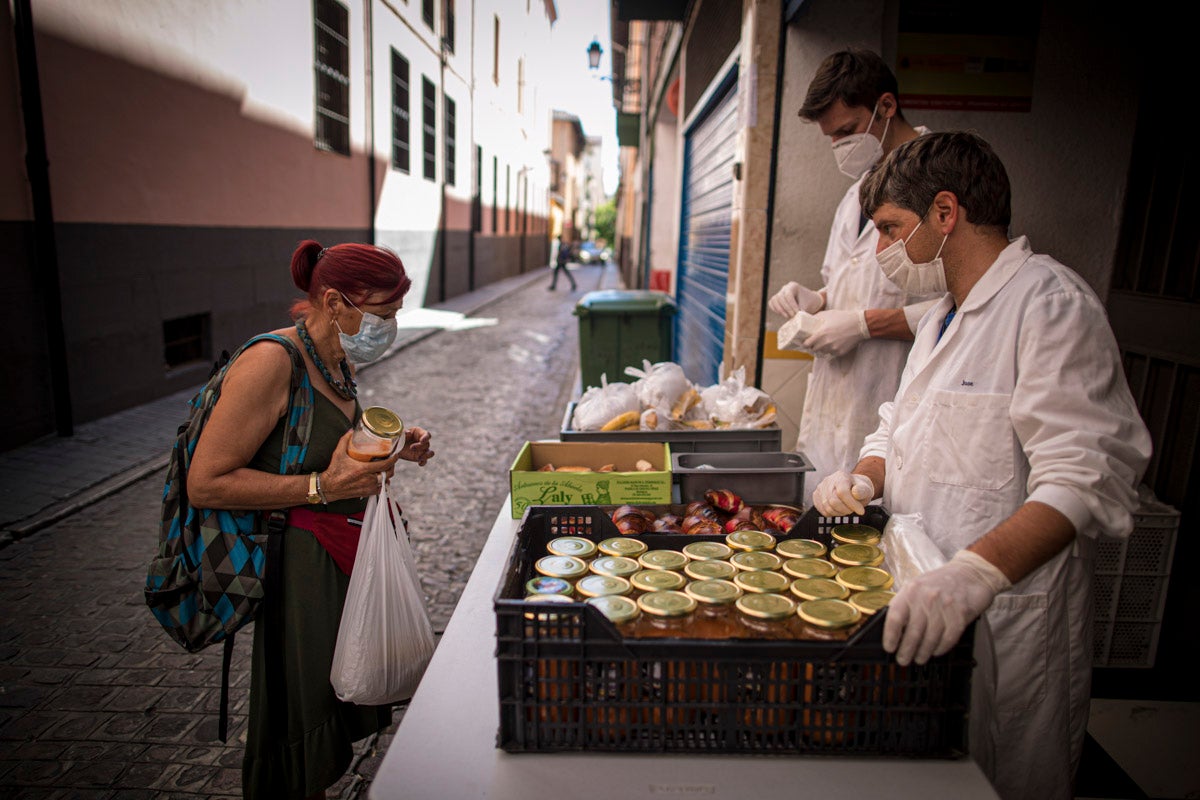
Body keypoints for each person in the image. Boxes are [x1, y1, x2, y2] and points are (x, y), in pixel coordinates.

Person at [811, 132, 1152, 800]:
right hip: (924, 605)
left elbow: (1085, 478)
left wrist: (976, 572)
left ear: (945, 214)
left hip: (1008, 625)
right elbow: (899, 428)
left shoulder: (1049, 306)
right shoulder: (943, 316)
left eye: (891, 229)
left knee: (1003, 780)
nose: (882, 251)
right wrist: (863, 476)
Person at [187, 240, 435, 800]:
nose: (389, 326)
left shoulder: (337, 357)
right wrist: (323, 487)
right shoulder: (271, 363)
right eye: (382, 314)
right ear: (333, 301)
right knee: (301, 711)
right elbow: (205, 481)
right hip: (296, 571)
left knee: (330, 694)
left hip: (337, 557)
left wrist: (394, 443)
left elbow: (326, 446)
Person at [767, 49, 939, 503]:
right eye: (831, 137)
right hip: (832, 407)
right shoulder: (853, 197)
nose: (840, 145)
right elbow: (852, 281)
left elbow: (961, 307)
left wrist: (865, 324)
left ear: (885, 107)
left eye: (846, 131)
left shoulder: (940, 181)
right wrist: (818, 301)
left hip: (888, 414)